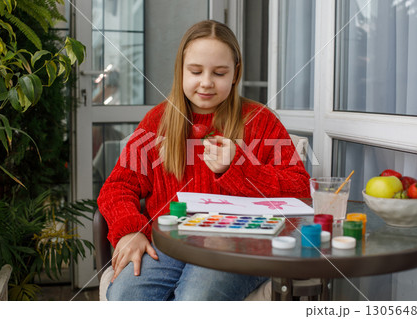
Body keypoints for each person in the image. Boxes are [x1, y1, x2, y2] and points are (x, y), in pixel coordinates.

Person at [97, 20, 310, 301]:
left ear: (235, 74)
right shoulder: (156, 122)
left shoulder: (261, 121)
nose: (206, 82)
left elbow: (300, 189)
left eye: (219, 73)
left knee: (195, 300)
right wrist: (131, 230)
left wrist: (237, 168)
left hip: (240, 247)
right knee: (125, 296)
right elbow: (118, 186)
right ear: (181, 71)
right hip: (170, 246)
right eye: (195, 71)